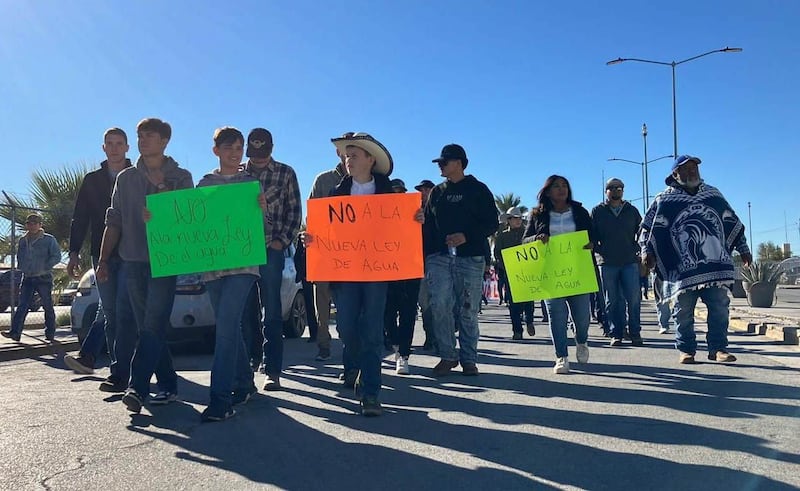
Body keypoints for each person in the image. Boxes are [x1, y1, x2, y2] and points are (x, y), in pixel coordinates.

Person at [305, 132, 422, 416]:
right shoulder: (336, 194)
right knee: (346, 327)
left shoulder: (389, 195)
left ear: (370, 160)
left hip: (377, 274)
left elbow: (402, 230)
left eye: (354, 155)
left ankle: (371, 393)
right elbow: (325, 232)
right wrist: (311, 238)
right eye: (347, 156)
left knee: (372, 330)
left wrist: (416, 219)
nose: (348, 160)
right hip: (345, 273)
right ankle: (356, 365)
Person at [96, 117, 193, 414]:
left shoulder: (181, 177)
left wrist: (163, 194)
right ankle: (169, 384)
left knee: (153, 324)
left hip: (165, 262)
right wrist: (103, 260)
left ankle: (137, 387)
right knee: (149, 327)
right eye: (140, 136)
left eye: (149, 135)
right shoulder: (125, 178)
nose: (143, 141)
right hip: (133, 261)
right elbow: (113, 221)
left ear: (164, 141)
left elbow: (190, 219)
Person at [640, 155, 752, 364]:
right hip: (680, 269)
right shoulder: (664, 200)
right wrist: (647, 251)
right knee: (683, 312)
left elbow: (731, 221)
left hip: (715, 266)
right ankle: (686, 350)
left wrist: (743, 248)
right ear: (675, 174)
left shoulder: (713, 194)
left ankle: (718, 348)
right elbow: (647, 228)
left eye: (694, 168)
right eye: (686, 169)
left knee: (719, 308)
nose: (692, 172)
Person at [196, 127, 262, 422]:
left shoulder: (250, 183)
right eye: (229, 148)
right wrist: (156, 217)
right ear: (216, 151)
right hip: (213, 267)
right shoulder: (205, 184)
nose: (235, 153)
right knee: (230, 327)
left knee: (225, 327)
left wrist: (261, 210)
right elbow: (193, 223)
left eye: (239, 148)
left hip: (244, 266)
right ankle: (245, 383)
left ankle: (220, 400)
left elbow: (259, 226)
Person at [63, 128, 133, 387]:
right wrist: (73, 252)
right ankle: (117, 370)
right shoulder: (92, 180)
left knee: (121, 310)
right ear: (103, 148)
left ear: (127, 147)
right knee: (110, 309)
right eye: (109, 143)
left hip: (132, 253)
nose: (114, 148)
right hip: (101, 254)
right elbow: (80, 218)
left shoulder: (138, 176)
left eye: (119, 143)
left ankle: (105, 361)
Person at [424, 144, 498, 377]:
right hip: (439, 257)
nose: (440, 166)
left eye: (444, 162)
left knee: (468, 309)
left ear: (459, 163)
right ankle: (447, 355)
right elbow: (427, 224)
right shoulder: (437, 192)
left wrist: (466, 236)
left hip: (470, 257)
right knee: (440, 305)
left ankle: (469, 359)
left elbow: (492, 223)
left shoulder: (478, 189)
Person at [243, 128, 302, 391]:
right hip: (242, 251)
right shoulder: (237, 175)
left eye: (262, 152)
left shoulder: (285, 173)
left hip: (271, 249)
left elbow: (295, 211)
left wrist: (282, 241)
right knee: (245, 310)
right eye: (253, 152)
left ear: (271, 149)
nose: (257, 157)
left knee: (273, 310)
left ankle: (272, 369)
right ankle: (250, 361)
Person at [523, 175, 594, 374]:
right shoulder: (538, 215)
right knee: (556, 315)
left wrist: (591, 243)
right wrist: (537, 239)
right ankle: (561, 356)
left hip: (578, 270)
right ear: (547, 192)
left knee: (582, 317)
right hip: (551, 272)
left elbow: (593, 234)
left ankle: (581, 340)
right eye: (556, 186)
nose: (561, 189)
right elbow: (524, 240)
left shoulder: (579, 212)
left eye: (564, 186)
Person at [307, 131, 354, 362]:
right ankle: (323, 345)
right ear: (338, 152)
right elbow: (312, 217)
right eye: (345, 149)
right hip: (325, 251)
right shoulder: (323, 180)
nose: (349, 154)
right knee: (322, 302)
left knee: (349, 304)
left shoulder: (367, 180)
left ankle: (350, 349)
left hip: (355, 253)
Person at [591, 178, 643, 347]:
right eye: (612, 188)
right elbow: (591, 234)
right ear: (606, 191)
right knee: (611, 300)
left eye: (619, 188)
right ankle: (616, 333)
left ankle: (635, 332)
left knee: (633, 299)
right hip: (607, 262)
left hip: (629, 261)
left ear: (623, 191)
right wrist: (599, 249)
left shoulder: (631, 210)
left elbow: (642, 231)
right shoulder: (598, 211)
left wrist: (637, 248)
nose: (615, 190)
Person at [2, 214, 60, 342]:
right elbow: (20, 255)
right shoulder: (23, 240)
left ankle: (50, 332)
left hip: (43, 278)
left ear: (40, 225)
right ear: (26, 225)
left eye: (35, 223)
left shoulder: (48, 239)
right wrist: (22, 267)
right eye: (29, 223)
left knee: (47, 305)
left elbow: (56, 256)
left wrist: (45, 266)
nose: (32, 226)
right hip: (28, 277)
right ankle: (15, 332)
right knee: (22, 305)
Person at [384, 178, 421, 375]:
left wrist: (422, 221)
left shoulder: (415, 213)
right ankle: (396, 345)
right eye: (394, 191)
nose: (397, 195)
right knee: (388, 314)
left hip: (410, 270)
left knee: (408, 314)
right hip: (386, 270)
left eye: (401, 192)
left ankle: (404, 355)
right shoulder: (380, 213)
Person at [494, 206, 535, 340]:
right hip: (511, 273)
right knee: (513, 303)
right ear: (509, 220)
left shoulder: (527, 234)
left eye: (519, 218)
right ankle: (517, 330)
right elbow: (498, 254)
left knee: (529, 300)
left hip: (528, 272)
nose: (517, 220)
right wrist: (505, 266)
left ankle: (529, 321)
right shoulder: (502, 236)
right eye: (514, 218)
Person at [413, 179, 436, 351]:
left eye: (427, 189)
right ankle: (430, 336)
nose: (424, 192)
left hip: (437, 259)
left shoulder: (439, 209)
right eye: (421, 190)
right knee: (425, 302)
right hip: (418, 262)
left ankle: (441, 335)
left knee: (441, 301)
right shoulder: (413, 210)